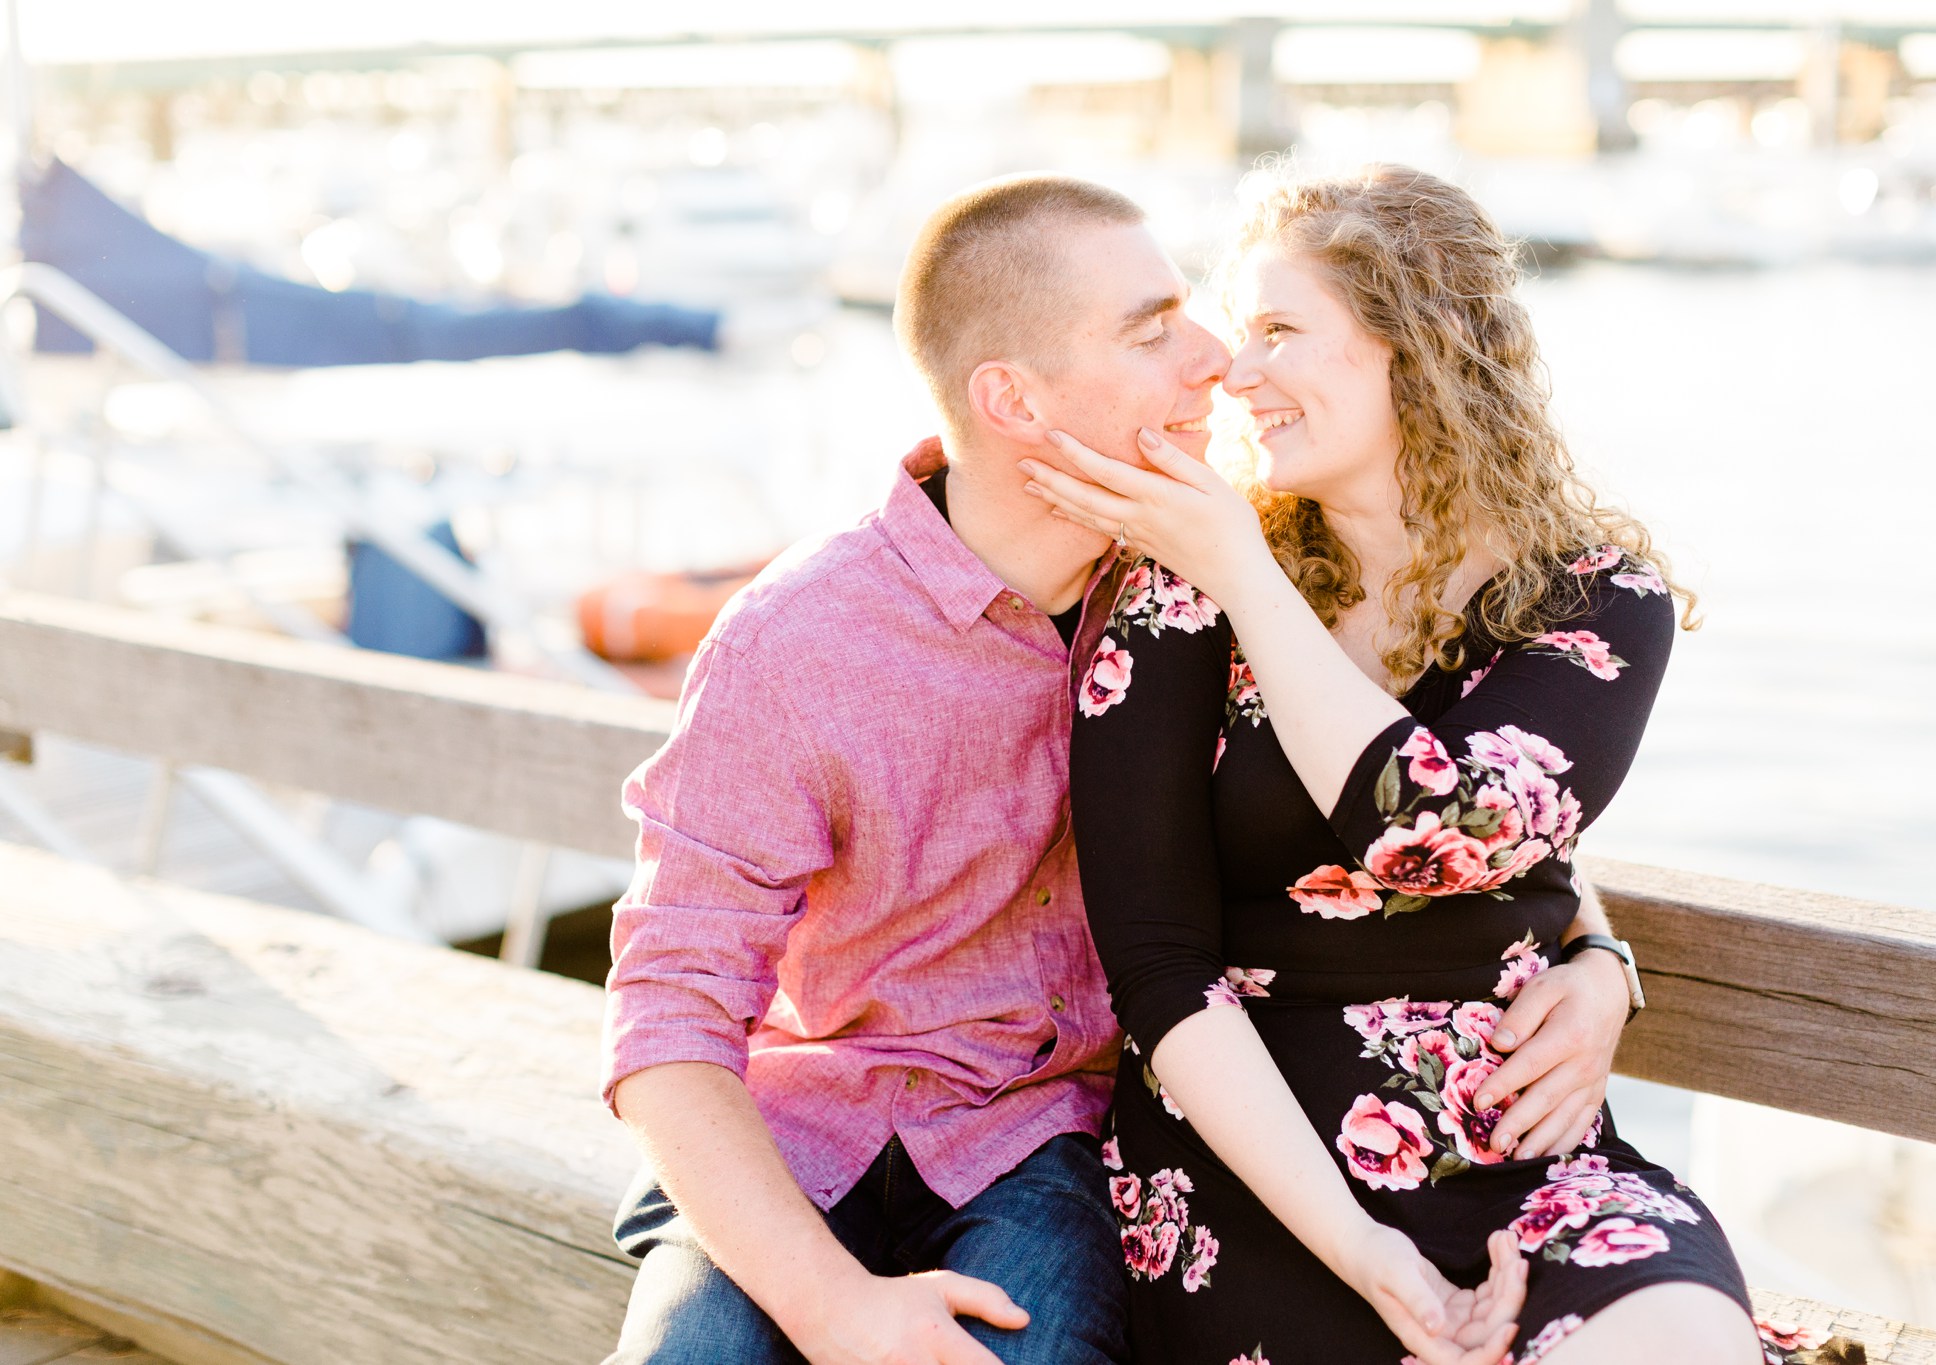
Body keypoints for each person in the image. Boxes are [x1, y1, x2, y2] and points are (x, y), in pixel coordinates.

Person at [601, 173, 1638, 1365]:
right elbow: (666, 1014)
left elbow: (1433, 790)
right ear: (1013, 400)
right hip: (806, 1128)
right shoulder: (799, 642)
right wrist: (833, 1310)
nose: (1216, 362)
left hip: (1045, 1139)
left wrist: (1591, 947)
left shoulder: (1224, 582)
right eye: (1153, 332)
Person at [1018, 164, 1760, 1365]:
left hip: (1522, 1153)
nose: (1230, 370)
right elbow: (1157, 968)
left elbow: (1441, 828)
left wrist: (1600, 955)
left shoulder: (1594, 602)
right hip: (1259, 1179)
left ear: (1414, 344)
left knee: (1678, 1344)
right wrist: (1365, 1252)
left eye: (1275, 331)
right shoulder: (1177, 583)